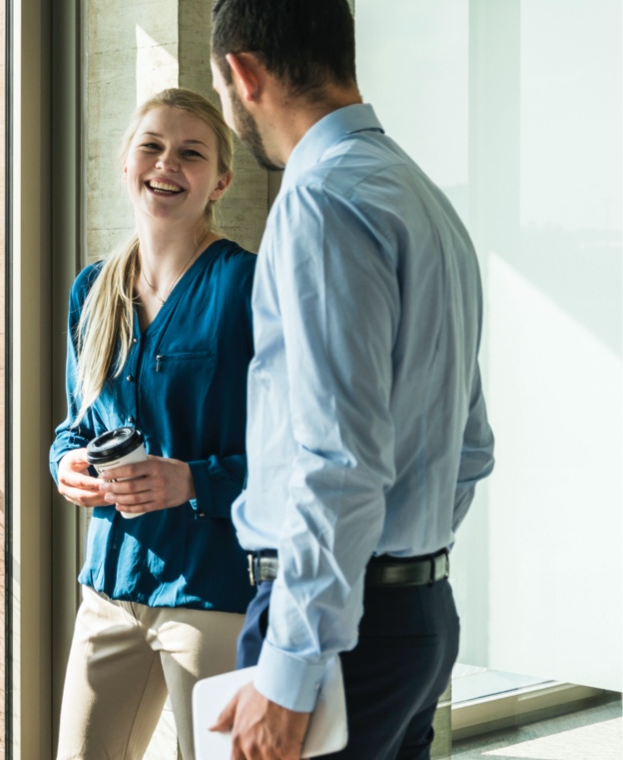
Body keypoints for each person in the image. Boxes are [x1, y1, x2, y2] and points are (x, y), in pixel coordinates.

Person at [207, 1, 496, 758]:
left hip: (337, 635)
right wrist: (406, 565)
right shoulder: (425, 200)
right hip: (417, 617)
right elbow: (470, 449)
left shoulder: (322, 198)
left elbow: (336, 459)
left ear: (243, 74)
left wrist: (294, 665)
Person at [50, 88, 258, 760]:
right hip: (108, 588)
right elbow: (76, 424)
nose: (167, 164)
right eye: (153, 146)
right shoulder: (92, 290)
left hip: (214, 589)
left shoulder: (248, 286)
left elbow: (296, 452)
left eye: (191, 152)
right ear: (125, 162)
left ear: (219, 180)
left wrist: (191, 480)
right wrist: (66, 465)